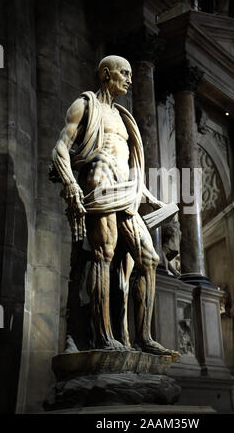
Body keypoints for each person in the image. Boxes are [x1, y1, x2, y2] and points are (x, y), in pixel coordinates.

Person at [52, 55, 174, 356]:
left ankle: (144, 336)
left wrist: (148, 195)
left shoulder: (123, 117)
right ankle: (104, 337)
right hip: (99, 183)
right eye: (124, 73)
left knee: (149, 259)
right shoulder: (85, 105)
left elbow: (128, 162)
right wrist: (70, 184)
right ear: (106, 75)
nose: (130, 79)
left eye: (132, 73)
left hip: (126, 192)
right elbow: (60, 148)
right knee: (103, 256)